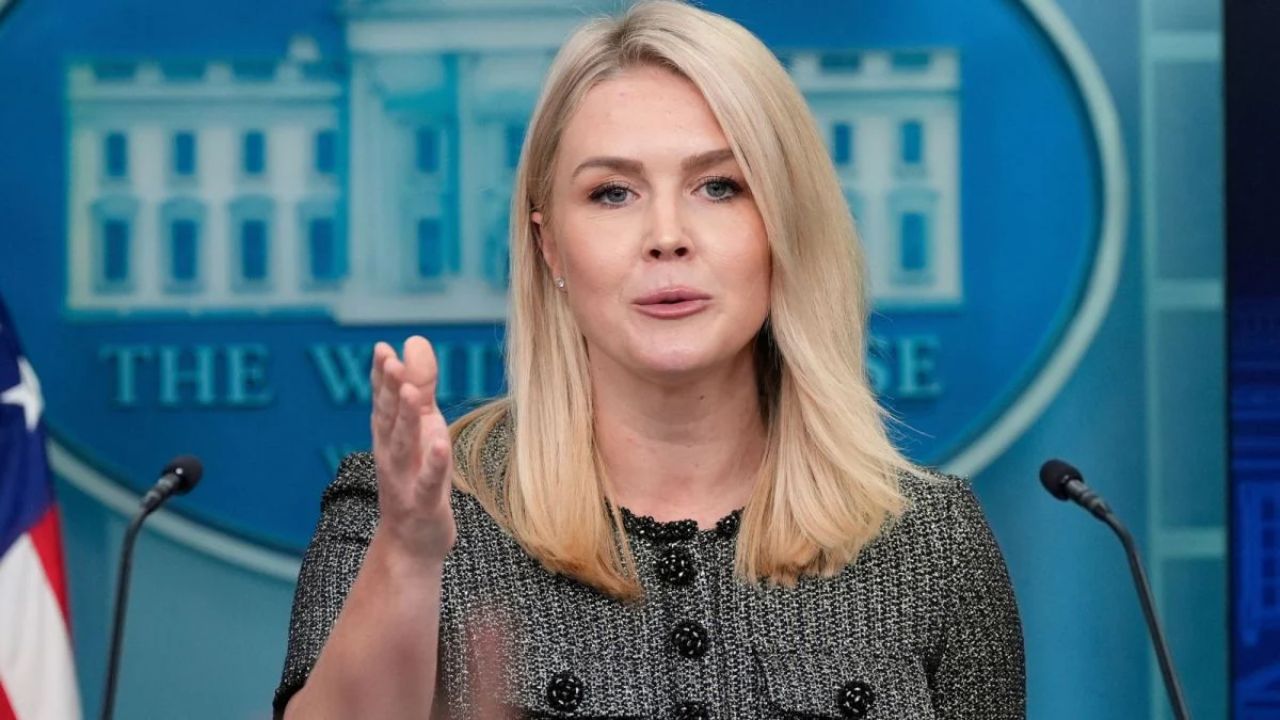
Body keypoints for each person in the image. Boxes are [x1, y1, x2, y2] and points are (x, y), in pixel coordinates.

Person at [272, 1, 1025, 718]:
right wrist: (407, 556)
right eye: (613, 194)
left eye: (719, 186)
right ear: (548, 245)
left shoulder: (934, 541)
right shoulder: (398, 516)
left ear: (785, 227)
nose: (667, 236)